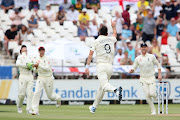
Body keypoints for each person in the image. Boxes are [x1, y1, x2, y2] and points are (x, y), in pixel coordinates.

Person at [85, 21, 122, 114]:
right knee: (102, 88)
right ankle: (94, 107)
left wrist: (87, 67)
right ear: (106, 33)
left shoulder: (96, 41)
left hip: (101, 65)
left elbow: (90, 55)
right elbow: (115, 34)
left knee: (104, 85)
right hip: (110, 67)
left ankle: (115, 90)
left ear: (99, 33)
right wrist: (114, 26)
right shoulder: (110, 39)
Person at [129, 43, 162, 115]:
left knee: (152, 93)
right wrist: (132, 70)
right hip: (143, 79)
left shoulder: (151, 56)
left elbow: (158, 65)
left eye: (145, 47)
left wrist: (159, 74)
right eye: (142, 47)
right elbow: (134, 67)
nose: (143, 49)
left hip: (151, 77)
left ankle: (156, 97)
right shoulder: (138, 58)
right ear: (140, 49)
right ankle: (153, 110)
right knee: (147, 95)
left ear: (147, 48)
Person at [31, 47, 61, 115]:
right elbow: (35, 71)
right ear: (38, 51)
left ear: (44, 51)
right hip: (40, 77)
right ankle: (35, 110)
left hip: (48, 77)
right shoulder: (36, 59)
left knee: (50, 96)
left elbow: (47, 68)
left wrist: (39, 65)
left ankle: (58, 98)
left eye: (42, 50)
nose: (41, 52)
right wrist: (35, 67)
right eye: (40, 51)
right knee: (36, 92)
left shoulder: (47, 58)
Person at [16, 45, 34, 114]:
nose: (25, 52)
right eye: (24, 50)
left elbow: (33, 66)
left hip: (30, 76)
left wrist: (32, 67)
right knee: (22, 94)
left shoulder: (30, 57)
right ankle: (19, 107)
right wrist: (26, 65)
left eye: (26, 50)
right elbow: (17, 64)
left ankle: (29, 109)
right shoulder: (20, 57)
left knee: (30, 93)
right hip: (23, 76)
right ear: (21, 51)